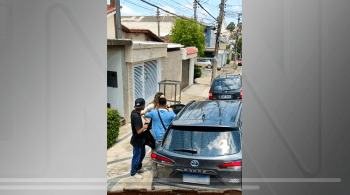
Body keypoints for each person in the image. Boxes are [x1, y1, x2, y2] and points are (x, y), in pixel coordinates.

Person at [129, 98, 148, 179]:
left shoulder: (134, 112)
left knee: (142, 154)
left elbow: (138, 113)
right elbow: (138, 131)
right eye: (144, 104)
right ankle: (133, 173)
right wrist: (144, 127)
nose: (145, 105)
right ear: (143, 105)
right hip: (137, 140)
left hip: (140, 140)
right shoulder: (136, 118)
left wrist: (142, 114)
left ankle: (138, 168)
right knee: (137, 156)